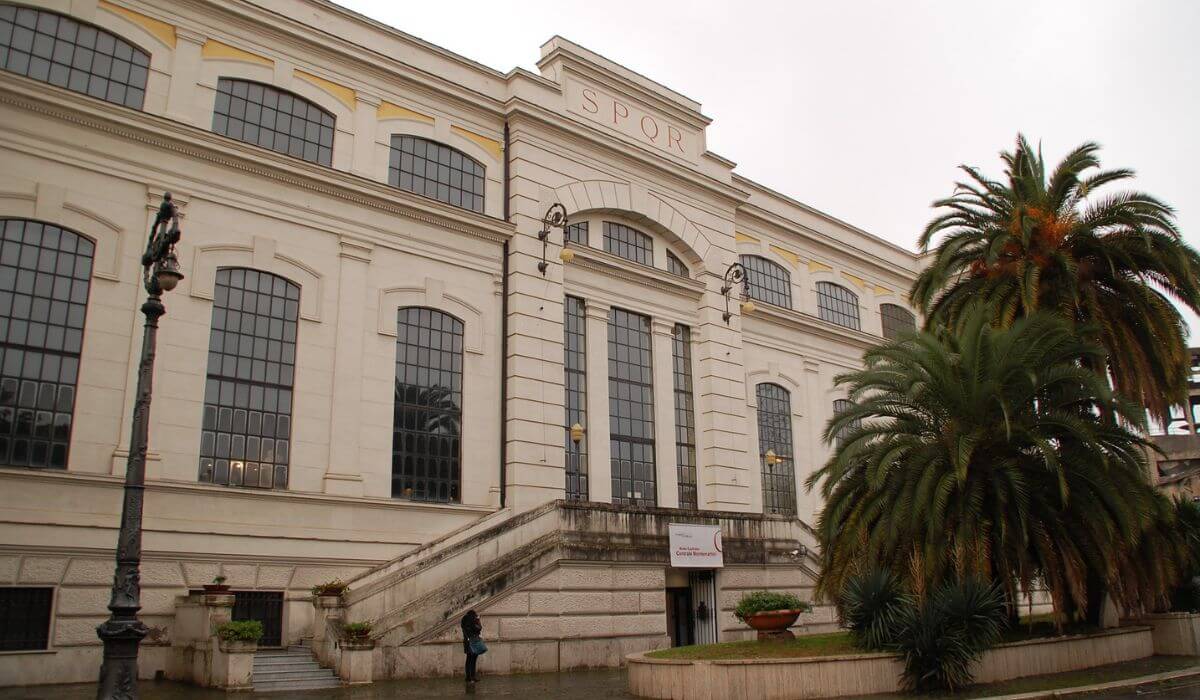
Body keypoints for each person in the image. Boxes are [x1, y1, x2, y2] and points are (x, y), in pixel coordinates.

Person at [461, 609, 483, 682]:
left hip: (467, 642)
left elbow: (466, 630)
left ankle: (468, 677)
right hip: (474, 641)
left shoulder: (463, 620)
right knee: (473, 660)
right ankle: (472, 676)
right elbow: (478, 628)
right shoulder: (474, 620)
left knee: (468, 659)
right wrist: (478, 620)